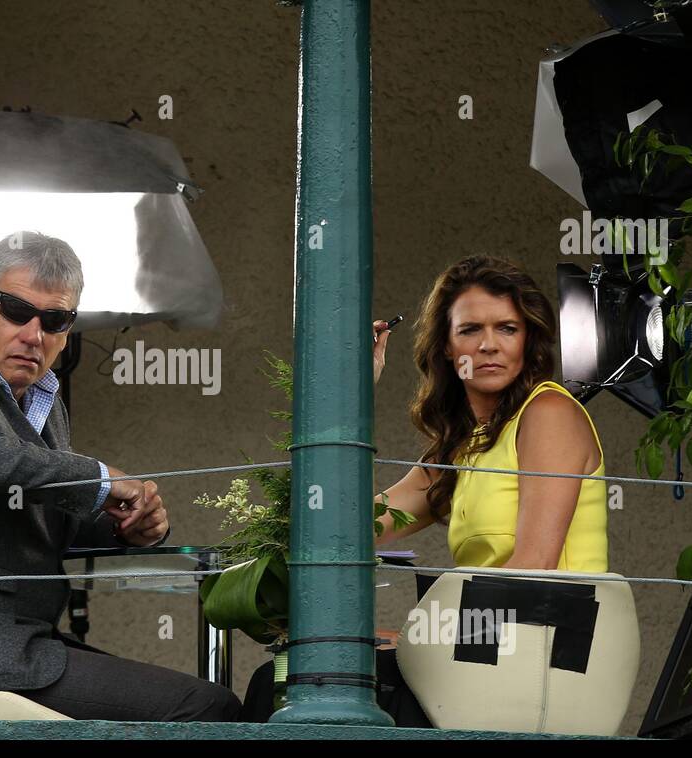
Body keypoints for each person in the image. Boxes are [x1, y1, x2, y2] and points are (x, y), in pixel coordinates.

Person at [0, 230, 241, 722]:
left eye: (54, 319)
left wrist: (124, 523)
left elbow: (41, 510)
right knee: (208, 708)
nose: (33, 333)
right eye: (16, 310)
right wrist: (98, 481)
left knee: (206, 701)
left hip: (17, 650)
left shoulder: (42, 397)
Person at [241, 254, 607, 724]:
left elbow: (532, 570)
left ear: (529, 339)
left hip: (548, 647)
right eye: (470, 330)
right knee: (281, 678)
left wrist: (418, 638)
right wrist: (350, 394)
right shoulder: (458, 450)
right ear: (447, 349)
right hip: (485, 649)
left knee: (333, 684)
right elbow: (342, 532)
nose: (490, 345)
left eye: (508, 329)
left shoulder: (547, 413)